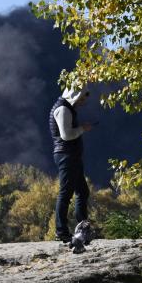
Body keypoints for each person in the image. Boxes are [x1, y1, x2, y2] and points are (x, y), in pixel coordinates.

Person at [49, 86, 95, 244]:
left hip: (71, 156)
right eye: (81, 98)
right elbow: (66, 135)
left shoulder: (66, 107)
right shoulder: (63, 109)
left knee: (82, 191)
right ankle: (61, 232)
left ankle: (82, 228)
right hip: (66, 156)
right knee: (66, 193)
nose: (82, 102)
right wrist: (83, 128)